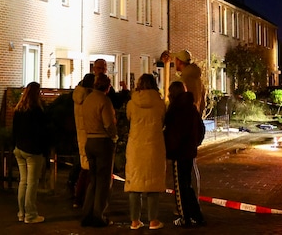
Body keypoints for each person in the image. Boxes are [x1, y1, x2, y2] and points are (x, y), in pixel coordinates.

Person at [124, 73, 167, 230]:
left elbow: (129, 118)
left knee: (135, 183)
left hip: (135, 147)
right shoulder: (160, 104)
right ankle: (153, 220)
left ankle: (135, 221)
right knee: (153, 182)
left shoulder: (131, 103)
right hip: (154, 146)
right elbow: (163, 120)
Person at [164, 81, 205, 228]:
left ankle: (184, 217)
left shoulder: (174, 110)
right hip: (189, 151)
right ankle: (196, 215)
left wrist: (170, 148)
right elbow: (201, 129)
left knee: (180, 186)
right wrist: (195, 143)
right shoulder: (191, 108)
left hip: (179, 153)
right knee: (187, 185)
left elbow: (172, 132)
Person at [80, 73, 118, 228]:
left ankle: (86, 214)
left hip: (89, 140)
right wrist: (114, 136)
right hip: (102, 141)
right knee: (103, 181)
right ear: (107, 87)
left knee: (93, 179)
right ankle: (99, 215)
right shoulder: (104, 100)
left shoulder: (87, 100)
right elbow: (109, 124)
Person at [12, 81, 50, 224]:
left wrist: (14, 146)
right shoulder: (37, 111)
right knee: (32, 183)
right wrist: (44, 150)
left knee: (23, 182)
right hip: (33, 150)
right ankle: (31, 214)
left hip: (19, 149)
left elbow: (14, 131)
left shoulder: (19, 109)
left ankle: (21, 213)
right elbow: (42, 132)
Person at [70, 72, 96, 208]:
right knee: (88, 170)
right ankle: (83, 199)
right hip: (90, 135)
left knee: (84, 167)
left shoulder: (77, 96)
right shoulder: (89, 97)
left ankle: (78, 199)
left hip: (81, 135)